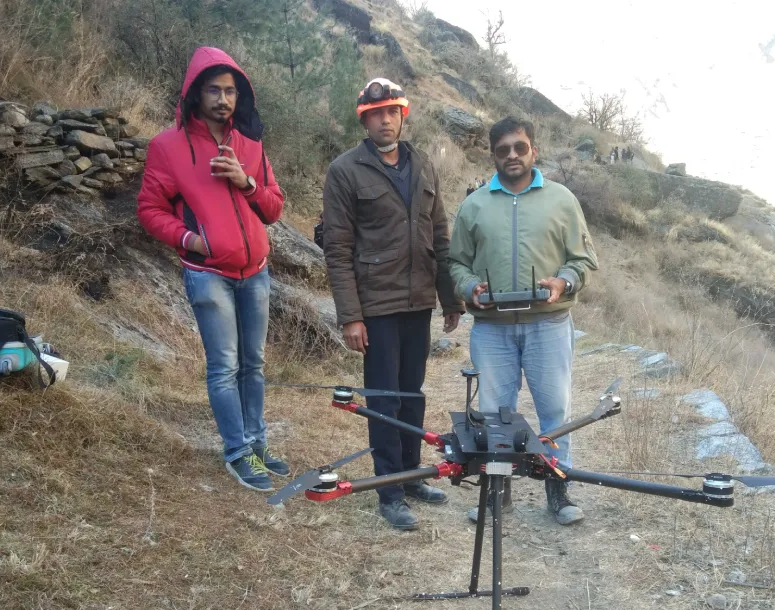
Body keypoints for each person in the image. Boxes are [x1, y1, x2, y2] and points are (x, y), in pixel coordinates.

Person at [137, 47, 289, 492]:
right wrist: (190, 240)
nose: (224, 99)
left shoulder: (252, 144)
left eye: (231, 91)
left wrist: (247, 182)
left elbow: (275, 208)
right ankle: (238, 452)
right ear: (195, 94)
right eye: (214, 90)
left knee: (254, 364)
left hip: (255, 270)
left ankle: (257, 444)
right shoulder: (168, 147)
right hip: (208, 274)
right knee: (224, 366)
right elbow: (149, 209)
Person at [322, 77, 465, 531]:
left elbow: (439, 235)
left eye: (392, 111)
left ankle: (413, 476)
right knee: (384, 401)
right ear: (363, 119)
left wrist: (450, 298)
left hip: (419, 301)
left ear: (403, 115)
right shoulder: (345, 170)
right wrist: (351, 315)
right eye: (375, 113)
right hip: (377, 306)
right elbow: (338, 250)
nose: (385, 120)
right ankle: (389, 491)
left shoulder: (422, 164)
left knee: (412, 395)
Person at [449, 115, 598, 526]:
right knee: (496, 415)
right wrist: (469, 288)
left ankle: (558, 488)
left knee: (554, 410)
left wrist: (563, 282)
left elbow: (583, 259)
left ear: (533, 149)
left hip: (548, 324)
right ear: (493, 154)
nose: (512, 155)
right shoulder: (474, 204)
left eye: (520, 147)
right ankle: (499, 493)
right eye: (503, 150)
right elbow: (457, 263)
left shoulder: (563, 199)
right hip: (492, 329)